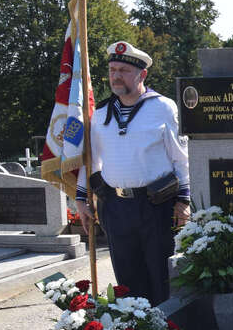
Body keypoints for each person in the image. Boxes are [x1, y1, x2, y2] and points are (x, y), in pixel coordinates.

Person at [76, 41, 191, 306]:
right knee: (127, 280)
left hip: (156, 206)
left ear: (142, 74)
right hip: (115, 208)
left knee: (161, 275)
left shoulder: (163, 107)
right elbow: (91, 160)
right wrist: (81, 199)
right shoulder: (100, 113)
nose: (116, 76)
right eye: (113, 69)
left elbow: (181, 158)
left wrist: (183, 201)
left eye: (124, 70)